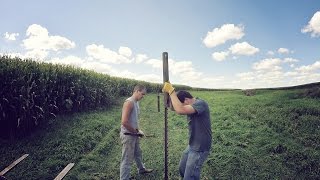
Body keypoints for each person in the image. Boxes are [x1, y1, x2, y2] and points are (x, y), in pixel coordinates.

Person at [162, 82, 212, 180]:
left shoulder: (200, 103)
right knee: (182, 168)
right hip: (192, 144)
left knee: (190, 176)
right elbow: (175, 108)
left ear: (186, 100)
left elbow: (180, 109)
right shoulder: (191, 104)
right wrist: (167, 97)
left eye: (183, 104)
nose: (182, 106)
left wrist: (172, 91)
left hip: (200, 147)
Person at [120, 84, 153, 180]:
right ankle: (124, 178)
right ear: (137, 91)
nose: (143, 96)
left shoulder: (136, 102)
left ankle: (141, 169)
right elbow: (124, 122)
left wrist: (138, 131)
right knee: (127, 159)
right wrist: (135, 132)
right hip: (128, 135)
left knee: (138, 153)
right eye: (142, 94)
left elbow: (133, 120)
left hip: (134, 133)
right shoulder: (129, 102)